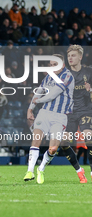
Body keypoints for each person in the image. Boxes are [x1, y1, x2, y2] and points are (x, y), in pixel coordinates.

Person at [24, 54, 74, 184]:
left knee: (52, 149)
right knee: (36, 141)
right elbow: (39, 91)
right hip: (44, 113)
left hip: (60, 117)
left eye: (55, 65)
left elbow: (52, 94)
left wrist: (38, 100)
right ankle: (30, 171)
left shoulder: (67, 76)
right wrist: (30, 108)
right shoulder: (48, 77)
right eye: (50, 65)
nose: (52, 67)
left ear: (62, 65)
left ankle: (41, 168)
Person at [59, 45, 92, 183]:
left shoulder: (89, 72)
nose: (70, 58)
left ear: (80, 57)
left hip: (85, 110)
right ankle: (79, 170)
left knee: (89, 137)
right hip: (69, 113)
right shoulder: (64, 75)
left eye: (73, 55)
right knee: (64, 142)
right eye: (69, 56)